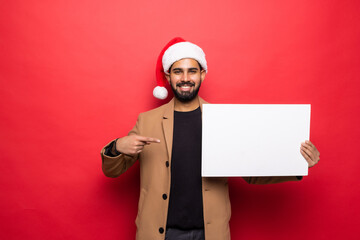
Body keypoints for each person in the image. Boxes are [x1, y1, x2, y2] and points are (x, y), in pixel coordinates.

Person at [100, 37, 320, 240]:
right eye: (178, 72)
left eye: (192, 71)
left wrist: (298, 164)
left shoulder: (223, 120)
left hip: (209, 233)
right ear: (168, 77)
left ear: (202, 74)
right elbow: (112, 171)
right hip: (160, 234)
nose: (185, 79)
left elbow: (251, 174)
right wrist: (117, 146)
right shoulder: (147, 120)